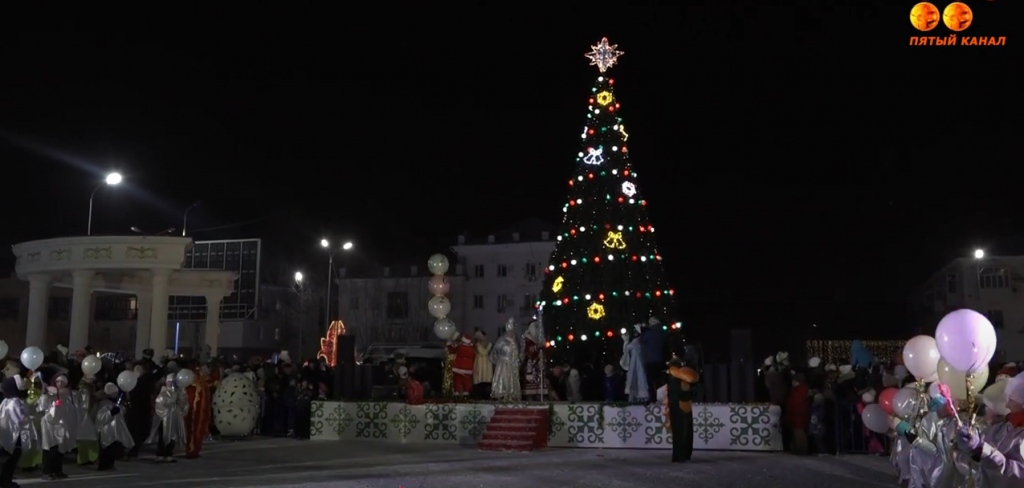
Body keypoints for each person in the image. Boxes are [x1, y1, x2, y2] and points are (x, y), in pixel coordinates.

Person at [957, 373, 1024, 487]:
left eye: (1012, 400)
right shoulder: (1000, 428)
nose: (1007, 405)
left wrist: (983, 451)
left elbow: (1017, 476)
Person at [38, 372, 76, 480]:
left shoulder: (68, 394)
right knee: (50, 448)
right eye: (58, 381)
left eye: (62, 382)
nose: (60, 384)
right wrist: (46, 395)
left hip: (62, 424)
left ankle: (57, 470)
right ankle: (47, 471)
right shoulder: (49, 393)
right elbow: (42, 406)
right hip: (50, 425)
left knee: (60, 449)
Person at [1, 372, 34, 488]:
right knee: (11, 460)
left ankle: (5, 480)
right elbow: (19, 418)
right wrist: (29, 417)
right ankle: (6, 481)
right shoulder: (15, 402)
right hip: (15, 436)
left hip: (8, 434)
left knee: (8, 460)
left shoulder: (6, 400)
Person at [665, 354, 699, 463]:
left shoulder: (677, 373)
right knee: (683, 431)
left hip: (680, 403)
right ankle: (682, 455)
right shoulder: (676, 375)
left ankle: (682, 455)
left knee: (683, 431)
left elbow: (691, 379)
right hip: (680, 404)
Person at [148, 374, 188, 462]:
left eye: (173, 382)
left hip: (174, 417)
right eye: (169, 382)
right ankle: (160, 453)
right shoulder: (163, 391)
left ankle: (169, 453)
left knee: (172, 435)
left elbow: (182, 404)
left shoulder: (177, 392)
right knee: (163, 435)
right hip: (164, 417)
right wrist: (169, 402)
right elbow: (159, 403)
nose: (171, 384)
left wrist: (181, 397)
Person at [94, 383, 133, 471]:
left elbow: (120, 415)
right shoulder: (103, 404)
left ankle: (110, 464)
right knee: (106, 449)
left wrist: (122, 409)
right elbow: (101, 417)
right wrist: (111, 413)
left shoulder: (114, 403)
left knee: (113, 448)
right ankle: (104, 465)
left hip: (114, 430)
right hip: (106, 430)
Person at [489, 318, 521, 402]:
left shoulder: (515, 340)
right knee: (502, 377)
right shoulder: (502, 339)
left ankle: (511, 394)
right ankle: (501, 393)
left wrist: (517, 360)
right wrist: (498, 359)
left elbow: (516, 352)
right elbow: (495, 351)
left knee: (511, 378)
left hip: (512, 363)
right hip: (503, 362)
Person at [184, 363, 212, 458]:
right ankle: (191, 450)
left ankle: (195, 450)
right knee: (192, 430)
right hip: (193, 412)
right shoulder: (190, 385)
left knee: (199, 430)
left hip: (201, 412)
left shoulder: (204, 384)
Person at [620, 325, 649, 403]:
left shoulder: (637, 342)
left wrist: (626, 341)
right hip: (637, 365)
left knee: (639, 381)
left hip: (638, 365)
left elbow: (627, 349)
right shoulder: (640, 341)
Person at [75, 375, 99, 466]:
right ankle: (86, 458)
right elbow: (86, 404)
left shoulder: (87, 389)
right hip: (85, 415)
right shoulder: (85, 389)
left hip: (84, 415)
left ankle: (86, 458)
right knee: (87, 436)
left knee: (86, 437)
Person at [640, 318, 665, 402]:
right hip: (659, 359)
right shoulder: (660, 331)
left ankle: (653, 398)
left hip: (650, 360)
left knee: (651, 380)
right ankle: (661, 397)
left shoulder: (650, 332)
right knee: (658, 379)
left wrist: (642, 330)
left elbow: (642, 340)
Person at [521, 320, 546, 401]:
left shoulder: (538, 338)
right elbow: (529, 350)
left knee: (539, 380)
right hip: (530, 363)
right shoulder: (527, 338)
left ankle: (539, 396)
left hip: (537, 362)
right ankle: (530, 398)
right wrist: (538, 347)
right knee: (530, 380)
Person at [446, 331, 475, 400]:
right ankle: (466, 394)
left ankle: (456, 393)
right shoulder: (472, 349)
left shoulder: (460, 347)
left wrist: (450, 343)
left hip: (458, 367)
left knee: (457, 381)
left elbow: (451, 349)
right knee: (466, 382)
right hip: (468, 368)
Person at [472, 329, 493, 400]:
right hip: (480, 364)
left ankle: (486, 395)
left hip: (486, 364)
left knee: (486, 380)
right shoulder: (478, 345)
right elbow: (484, 352)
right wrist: (489, 346)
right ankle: (480, 395)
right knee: (480, 380)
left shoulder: (485, 344)